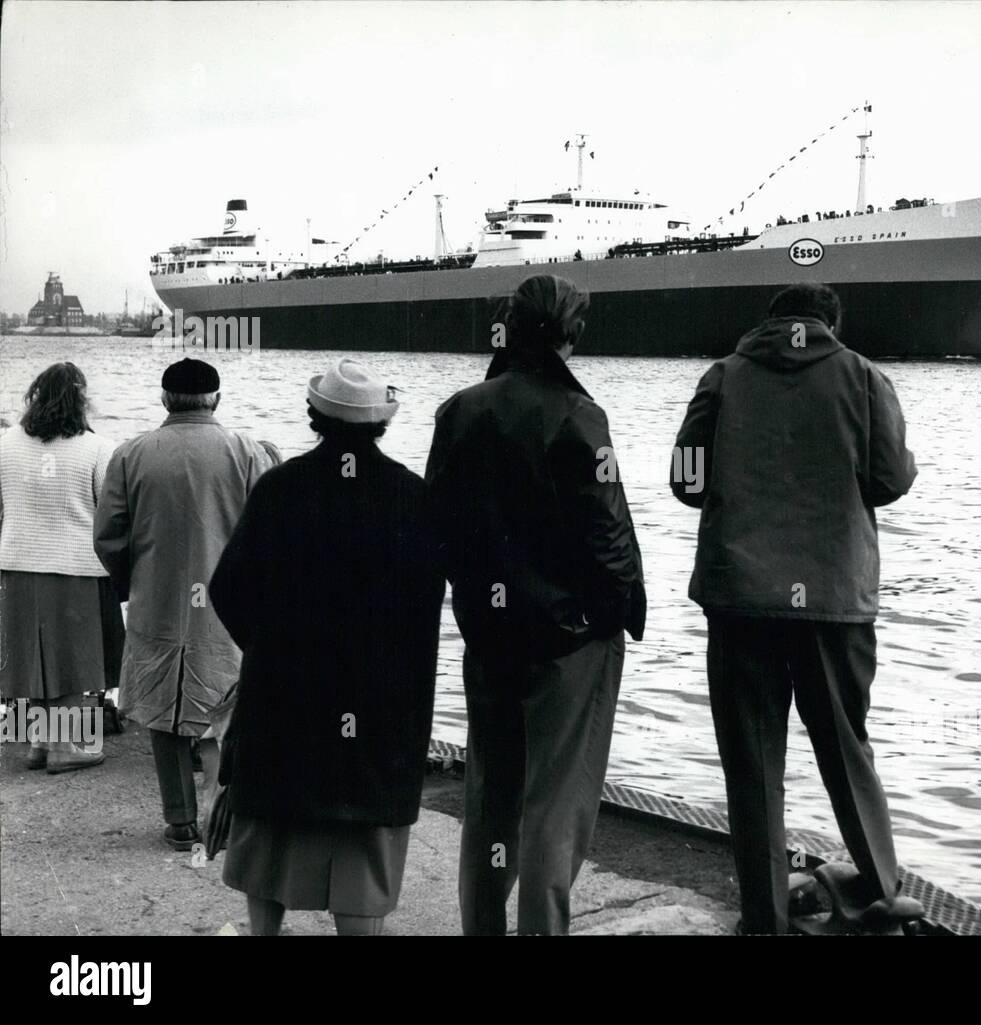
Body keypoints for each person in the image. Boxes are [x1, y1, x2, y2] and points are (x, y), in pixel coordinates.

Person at [671, 282, 921, 934]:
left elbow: (686, 480)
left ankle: (763, 917)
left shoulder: (723, 377)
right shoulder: (864, 378)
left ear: (771, 321)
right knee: (846, 748)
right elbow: (891, 479)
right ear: (831, 322)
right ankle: (881, 889)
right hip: (835, 599)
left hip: (741, 599)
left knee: (753, 764)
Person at [426, 273, 645, 935]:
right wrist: (616, 609)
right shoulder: (579, 415)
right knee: (556, 801)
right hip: (568, 641)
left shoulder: (458, 410)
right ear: (569, 335)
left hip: (489, 634)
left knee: (489, 798)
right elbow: (608, 534)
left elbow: (436, 527)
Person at [209, 358, 443, 936]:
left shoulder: (280, 488)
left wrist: (267, 650)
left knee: (270, 833)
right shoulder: (413, 497)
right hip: (378, 707)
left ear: (314, 416)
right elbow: (427, 606)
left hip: (285, 696)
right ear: (380, 425)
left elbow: (227, 588)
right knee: (363, 843)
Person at [94, 358, 274, 851]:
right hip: (229, 607)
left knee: (161, 708)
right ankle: (225, 814)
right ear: (216, 398)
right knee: (226, 703)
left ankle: (179, 821)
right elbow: (269, 535)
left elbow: (109, 535)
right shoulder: (248, 452)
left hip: (158, 600)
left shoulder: (132, 453)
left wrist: (134, 580)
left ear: (164, 399)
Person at [0, 363, 122, 773]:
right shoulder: (98, 447)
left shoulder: (4, 444)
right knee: (72, 658)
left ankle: (37, 742)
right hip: (75, 566)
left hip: (15, 563)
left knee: (29, 655)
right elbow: (110, 513)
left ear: (35, 396)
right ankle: (66, 747)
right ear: (81, 399)